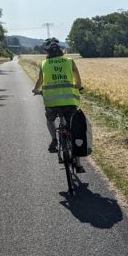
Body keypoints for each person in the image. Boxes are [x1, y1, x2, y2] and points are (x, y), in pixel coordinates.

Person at [32, 38, 85, 173]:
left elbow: (40, 80)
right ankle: (79, 164)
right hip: (69, 101)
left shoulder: (44, 64)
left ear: (47, 52)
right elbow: (78, 79)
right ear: (60, 50)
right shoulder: (69, 61)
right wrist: (79, 87)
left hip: (52, 103)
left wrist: (35, 90)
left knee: (50, 119)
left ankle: (54, 139)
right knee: (73, 130)